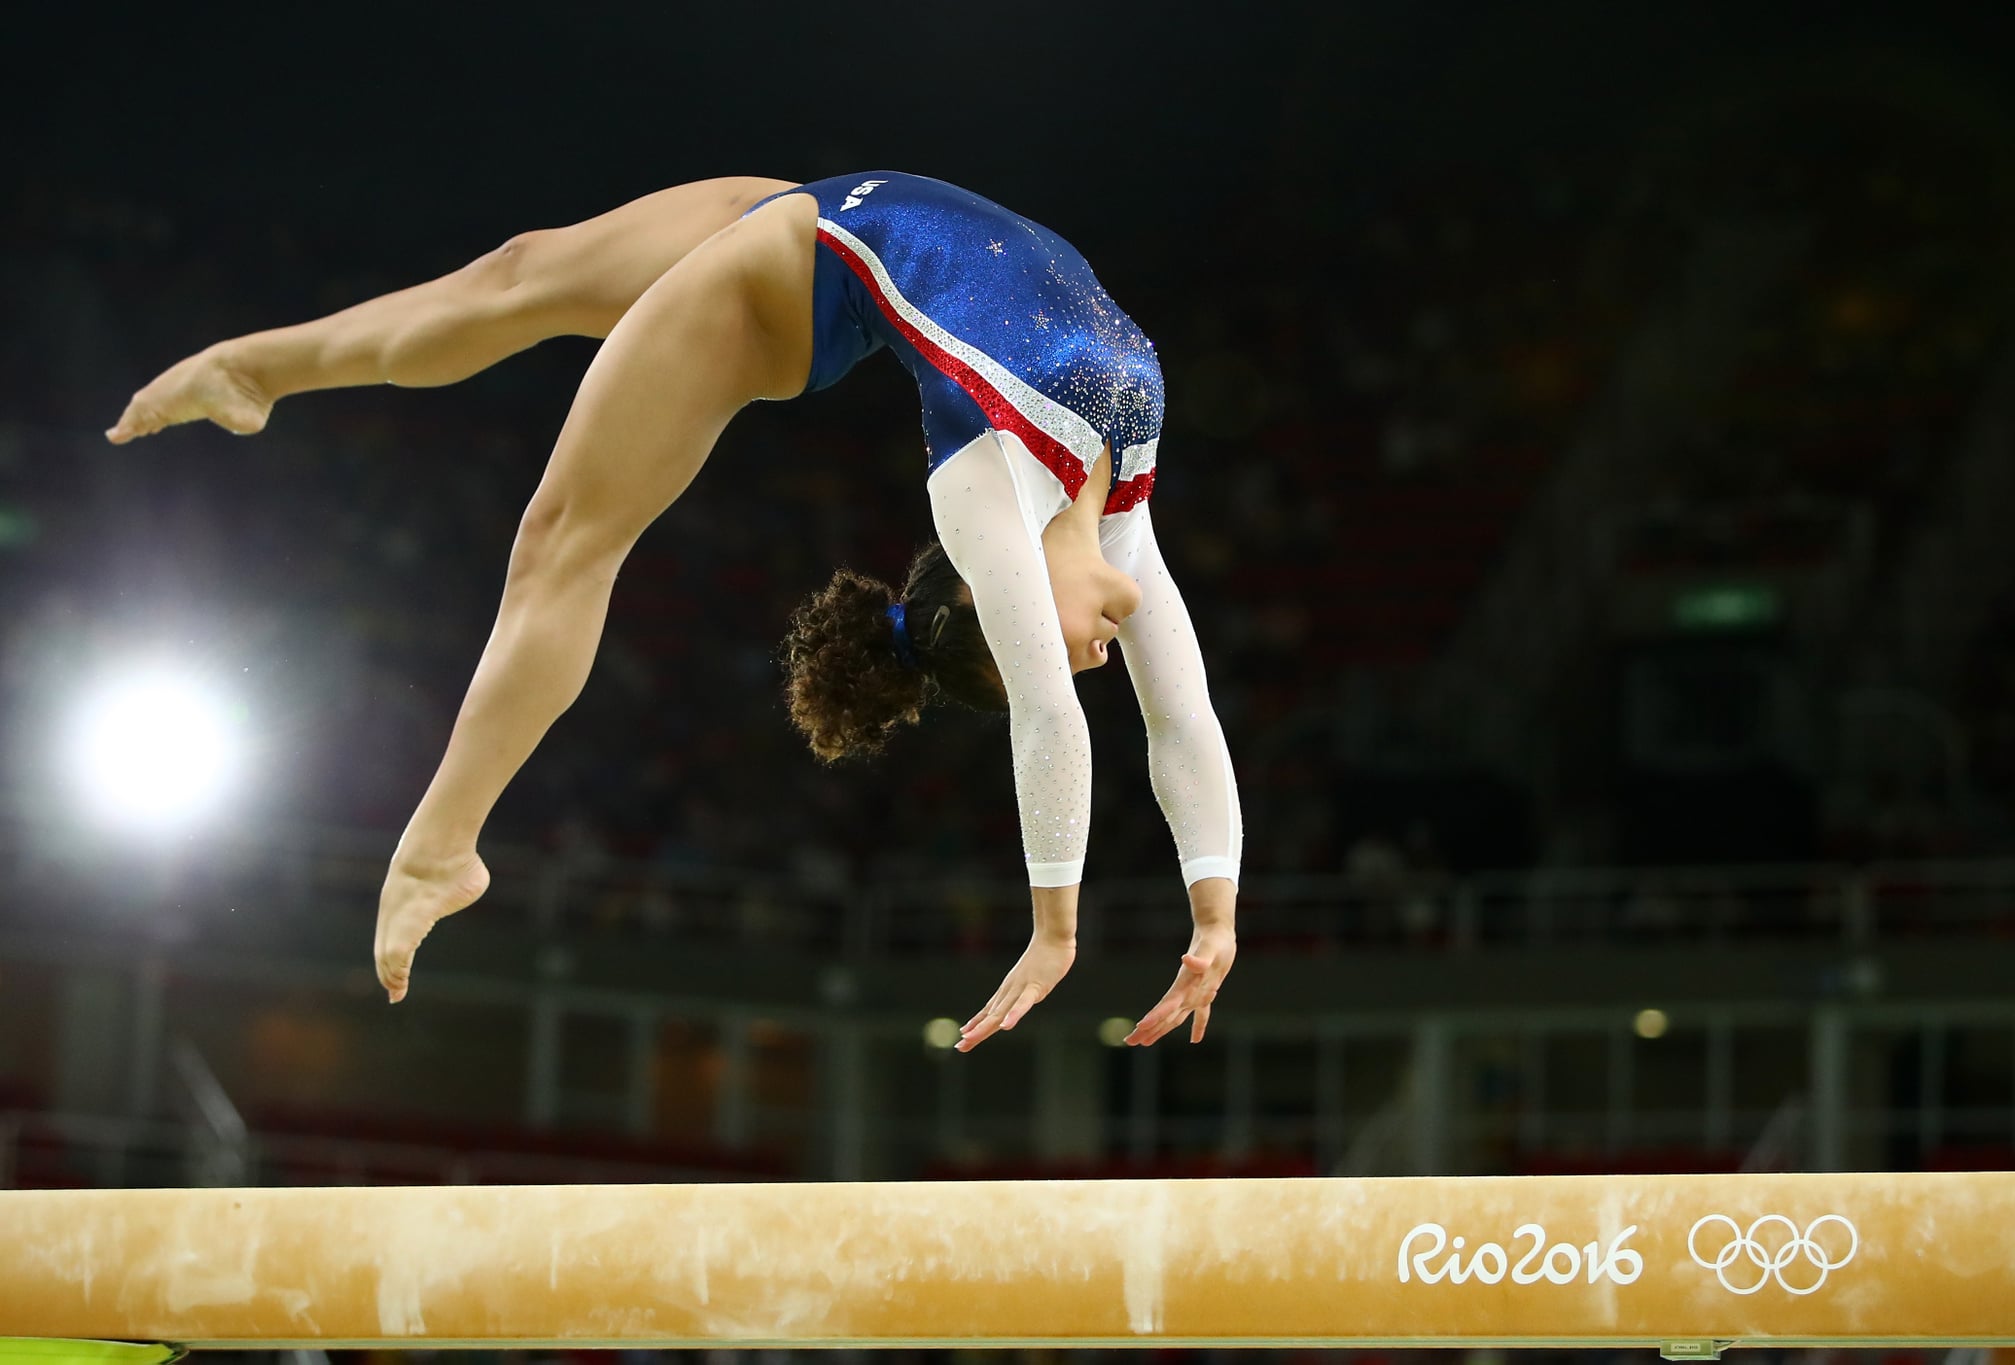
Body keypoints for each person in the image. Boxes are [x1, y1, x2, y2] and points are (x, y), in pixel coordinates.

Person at [107, 171, 1242, 1050]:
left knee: (561, 547)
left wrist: (1058, 929)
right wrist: (1210, 918)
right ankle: (253, 371)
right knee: (518, 273)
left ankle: (437, 851)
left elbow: (1054, 716)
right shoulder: (1120, 499)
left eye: (1041, 650)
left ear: (996, 618)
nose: (1087, 657)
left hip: (780, 284)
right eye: (1065, 650)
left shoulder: (982, 490)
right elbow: (1176, 719)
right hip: (827, 215)